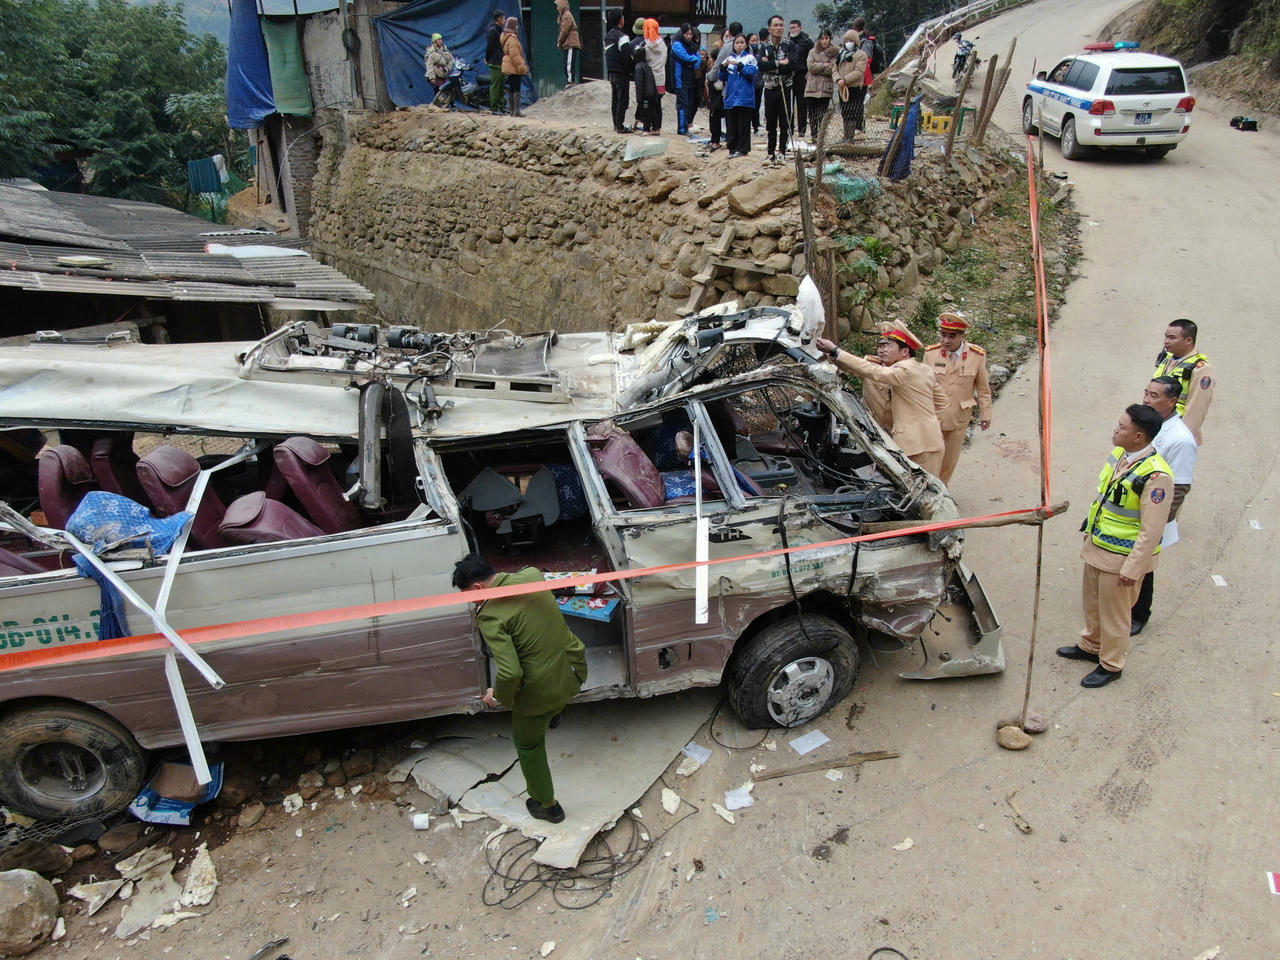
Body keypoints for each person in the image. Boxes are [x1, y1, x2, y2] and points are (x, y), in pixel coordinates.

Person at [453, 553, 587, 823]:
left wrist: (497, 696)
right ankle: (555, 713)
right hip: (574, 669)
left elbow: (511, 672)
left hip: (542, 691)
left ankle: (547, 805)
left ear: (478, 587)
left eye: (469, 597)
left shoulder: (490, 616)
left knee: (528, 745)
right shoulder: (532, 575)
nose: (471, 603)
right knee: (555, 696)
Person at [1058, 405, 1172, 688]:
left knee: (1115, 615)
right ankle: (1091, 645)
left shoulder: (1157, 477)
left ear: (1138, 436)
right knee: (1093, 604)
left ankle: (1111, 664)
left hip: (1122, 557)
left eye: (1122, 427)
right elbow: (1105, 497)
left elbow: (1152, 530)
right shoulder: (1122, 456)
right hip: (1098, 547)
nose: (1115, 430)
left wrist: (1133, 568)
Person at [816, 324, 949, 476]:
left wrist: (835, 350)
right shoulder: (923, 369)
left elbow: (874, 371)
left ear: (904, 352)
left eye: (890, 345)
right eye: (882, 345)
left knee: (923, 488)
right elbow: (942, 402)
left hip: (919, 448)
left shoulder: (905, 370)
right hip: (925, 443)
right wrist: (931, 426)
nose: (884, 349)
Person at [1129, 376, 1198, 636]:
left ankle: (1139, 614)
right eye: (1146, 393)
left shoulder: (1180, 439)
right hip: (1128, 509)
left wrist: (1156, 524)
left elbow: (1179, 487)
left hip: (1150, 515)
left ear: (1172, 401)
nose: (1146, 399)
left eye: (1154, 396)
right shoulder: (1145, 424)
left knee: (1143, 566)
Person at [923, 312, 993, 484]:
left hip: (958, 417)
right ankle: (926, 489)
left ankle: (942, 489)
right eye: (943, 335)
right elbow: (922, 386)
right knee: (928, 458)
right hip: (933, 416)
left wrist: (986, 414)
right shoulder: (931, 354)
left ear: (963, 336)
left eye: (952, 336)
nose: (946, 340)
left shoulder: (977, 356)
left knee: (949, 460)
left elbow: (983, 389)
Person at [1152, 318, 1214, 443]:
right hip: (1157, 428)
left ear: (1188, 340)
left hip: (1175, 434)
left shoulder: (1201, 369)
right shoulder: (1167, 360)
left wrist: (1179, 439)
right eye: (1166, 337)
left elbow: (1197, 409)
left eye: (1172, 338)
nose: (1166, 341)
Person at [757, 15, 796, 163]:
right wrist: (780, 63)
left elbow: (792, 65)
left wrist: (771, 65)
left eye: (781, 25)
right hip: (770, 88)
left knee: (785, 121)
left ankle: (782, 151)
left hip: (785, 87)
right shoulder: (765, 47)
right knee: (771, 121)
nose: (779, 28)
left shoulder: (789, 45)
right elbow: (761, 66)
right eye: (775, 25)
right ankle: (770, 152)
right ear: (770, 28)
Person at [722, 32, 758, 158]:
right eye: (737, 43)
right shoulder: (729, 58)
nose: (739, 45)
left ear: (746, 44)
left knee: (743, 125)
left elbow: (752, 73)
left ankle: (743, 149)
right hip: (731, 96)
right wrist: (723, 68)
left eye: (742, 42)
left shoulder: (750, 58)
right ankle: (732, 148)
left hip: (744, 96)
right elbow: (723, 77)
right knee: (731, 124)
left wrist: (740, 65)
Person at [835, 25, 869, 140]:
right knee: (844, 112)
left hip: (854, 87)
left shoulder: (861, 55)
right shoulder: (841, 54)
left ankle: (850, 137)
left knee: (852, 112)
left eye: (851, 40)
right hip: (842, 88)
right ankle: (846, 135)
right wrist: (838, 79)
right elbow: (834, 68)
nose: (848, 43)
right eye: (846, 40)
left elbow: (859, 72)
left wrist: (845, 80)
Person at [804, 30, 837, 141]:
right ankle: (814, 135)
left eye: (826, 38)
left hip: (825, 88)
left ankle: (821, 137)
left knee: (823, 114)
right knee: (812, 114)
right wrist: (824, 65)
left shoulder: (834, 53)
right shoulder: (812, 52)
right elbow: (810, 67)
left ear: (830, 39)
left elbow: (832, 68)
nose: (824, 41)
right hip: (812, 88)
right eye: (822, 38)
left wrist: (818, 68)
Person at [604, 8, 633, 133]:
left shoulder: (608, 36)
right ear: (621, 20)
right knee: (623, 100)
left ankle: (616, 124)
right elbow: (628, 55)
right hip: (622, 72)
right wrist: (631, 69)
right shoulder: (622, 36)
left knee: (615, 99)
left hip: (611, 72)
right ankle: (620, 126)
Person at [671, 23, 702, 136]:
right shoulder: (677, 45)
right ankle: (682, 128)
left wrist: (694, 60)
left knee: (688, 103)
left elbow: (697, 60)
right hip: (680, 79)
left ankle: (686, 126)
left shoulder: (691, 45)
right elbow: (687, 58)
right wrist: (694, 60)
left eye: (690, 34)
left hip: (689, 78)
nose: (689, 36)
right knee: (682, 104)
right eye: (686, 34)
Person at [787, 20, 814, 143]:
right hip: (790, 74)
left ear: (800, 28)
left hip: (802, 74)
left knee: (802, 102)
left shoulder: (807, 42)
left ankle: (802, 129)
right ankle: (789, 127)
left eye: (795, 27)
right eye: (791, 28)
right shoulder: (787, 41)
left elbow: (812, 57)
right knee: (789, 102)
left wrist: (810, 71)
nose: (793, 30)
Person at [642, 19, 667, 134]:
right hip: (660, 78)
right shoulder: (662, 44)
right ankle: (657, 127)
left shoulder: (646, 46)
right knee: (658, 104)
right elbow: (664, 60)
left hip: (649, 79)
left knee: (649, 104)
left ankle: (650, 127)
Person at [500, 17, 529, 118]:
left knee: (511, 88)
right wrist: (521, 68)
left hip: (507, 64)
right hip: (513, 66)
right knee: (516, 88)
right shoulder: (512, 38)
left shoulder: (505, 36)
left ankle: (512, 110)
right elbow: (515, 55)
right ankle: (516, 111)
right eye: (516, 24)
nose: (517, 26)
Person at [485, 11, 507, 115]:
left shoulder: (500, 30)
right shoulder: (492, 31)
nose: (505, 20)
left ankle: (501, 106)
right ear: (499, 19)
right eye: (503, 18)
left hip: (502, 61)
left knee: (502, 85)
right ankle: (494, 108)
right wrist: (487, 58)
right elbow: (489, 47)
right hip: (495, 62)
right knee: (496, 86)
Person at [554, 0, 581, 86]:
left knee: (569, 63)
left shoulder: (566, 15)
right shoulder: (564, 15)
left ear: (562, 5)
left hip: (571, 42)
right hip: (568, 43)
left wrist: (559, 41)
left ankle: (571, 82)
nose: (557, 8)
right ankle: (570, 81)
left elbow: (564, 31)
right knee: (567, 63)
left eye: (558, 6)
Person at [424, 34, 456, 101]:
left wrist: (447, 68)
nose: (440, 41)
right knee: (438, 91)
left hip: (445, 73)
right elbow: (429, 66)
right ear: (435, 42)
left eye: (441, 39)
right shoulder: (431, 53)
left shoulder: (445, 50)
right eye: (438, 40)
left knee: (449, 90)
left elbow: (451, 60)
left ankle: (451, 103)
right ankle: (437, 104)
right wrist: (432, 77)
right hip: (436, 74)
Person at [705, 39, 725, 149]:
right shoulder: (714, 70)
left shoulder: (717, 70)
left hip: (717, 100)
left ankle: (715, 141)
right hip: (715, 99)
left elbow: (718, 85)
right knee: (714, 120)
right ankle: (714, 140)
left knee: (715, 120)